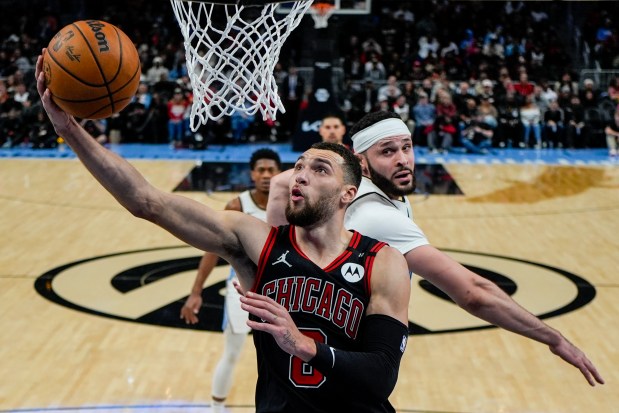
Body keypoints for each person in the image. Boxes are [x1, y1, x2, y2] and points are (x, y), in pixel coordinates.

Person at [36, 53, 411, 412]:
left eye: (319, 169)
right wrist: (69, 130)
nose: (301, 175)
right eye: (299, 166)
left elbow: (380, 378)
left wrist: (302, 345)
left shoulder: (382, 261)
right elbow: (146, 201)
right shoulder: (257, 243)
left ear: (349, 193)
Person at [268, 110, 604, 388]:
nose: (403, 160)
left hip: (316, 356)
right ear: (362, 163)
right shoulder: (378, 215)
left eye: (406, 147)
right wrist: (554, 339)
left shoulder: (358, 194)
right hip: (341, 368)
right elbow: (474, 293)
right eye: (387, 151)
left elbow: (281, 182)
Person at [180, 148, 282, 412]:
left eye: (271, 170)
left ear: (279, 173)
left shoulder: (289, 205)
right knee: (233, 352)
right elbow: (213, 251)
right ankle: (216, 408)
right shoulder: (237, 206)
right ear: (252, 173)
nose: (266, 175)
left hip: (282, 290)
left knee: (284, 357)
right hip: (242, 290)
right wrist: (196, 292)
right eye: (261, 169)